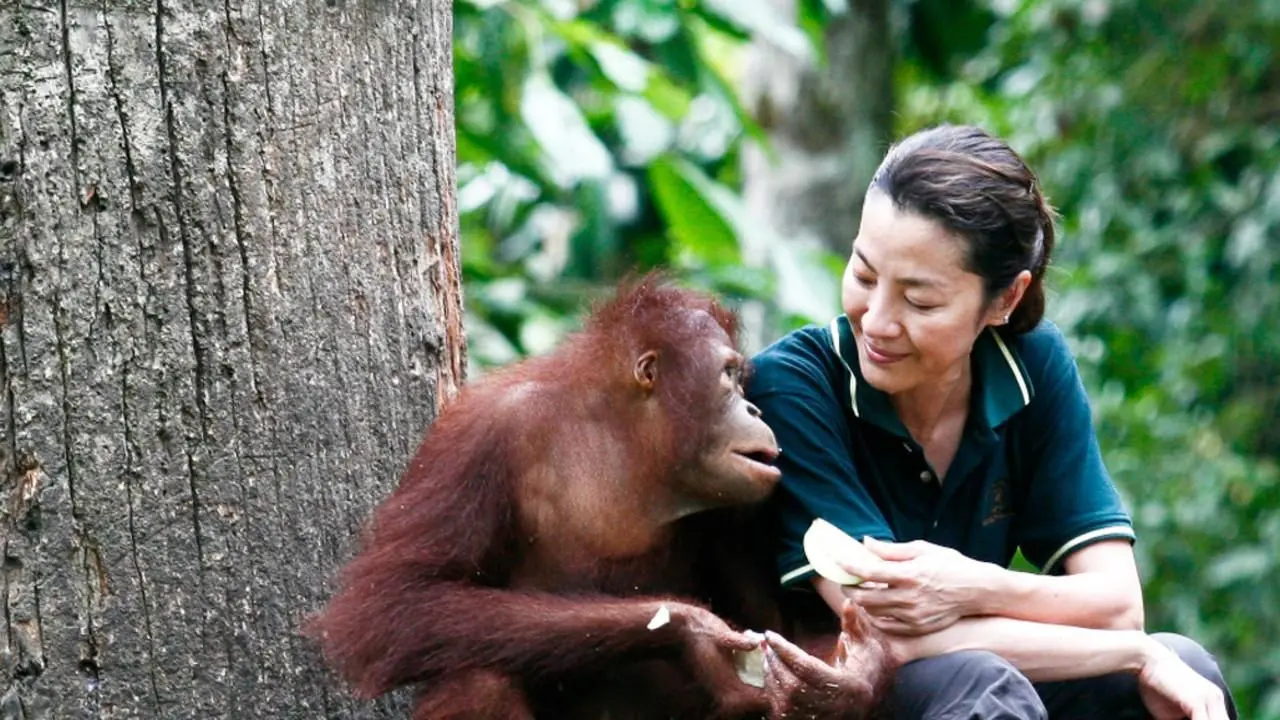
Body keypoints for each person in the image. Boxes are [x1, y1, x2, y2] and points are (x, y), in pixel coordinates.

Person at [746, 124, 1236, 720]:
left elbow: (1117, 605)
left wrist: (972, 586)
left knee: (1184, 665)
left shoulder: (1034, 363)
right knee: (989, 685)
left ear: (1004, 301)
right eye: (865, 275)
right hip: (844, 693)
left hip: (981, 676)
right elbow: (881, 634)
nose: (875, 320)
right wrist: (1131, 652)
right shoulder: (793, 384)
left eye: (919, 301)